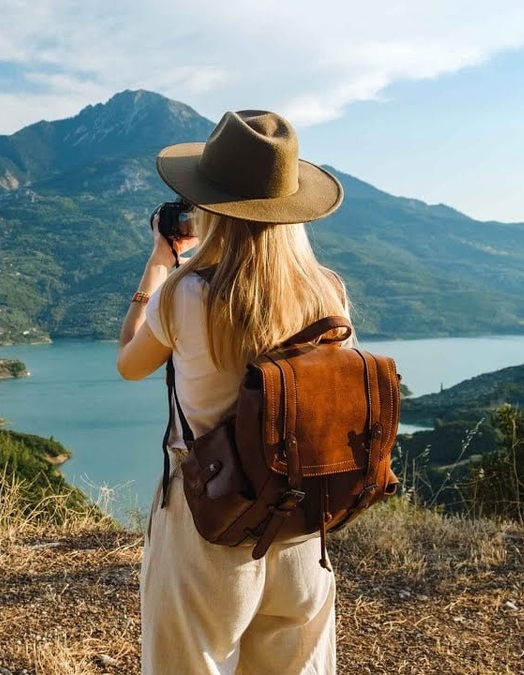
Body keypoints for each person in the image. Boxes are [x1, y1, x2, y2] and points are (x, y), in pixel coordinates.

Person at [117, 110, 350, 675]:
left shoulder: (186, 293)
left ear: (208, 206)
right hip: (299, 526)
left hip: (208, 525)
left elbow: (129, 363)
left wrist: (157, 267)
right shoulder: (329, 295)